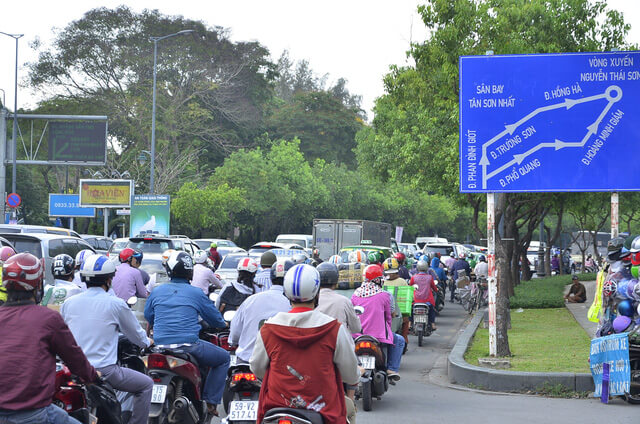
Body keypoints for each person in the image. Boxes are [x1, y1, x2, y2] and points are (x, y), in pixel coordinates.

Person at [250, 264, 359, 424]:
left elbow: (257, 368)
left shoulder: (269, 329)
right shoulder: (333, 329)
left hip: (277, 411)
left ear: (287, 294)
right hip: (324, 412)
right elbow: (350, 375)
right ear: (316, 293)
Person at [0, 253, 99, 424]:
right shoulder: (48, 319)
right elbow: (74, 358)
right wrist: (92, 377)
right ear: (38, 284)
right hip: (33, 414)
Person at [62, 254, 152, 424]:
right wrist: (148, 342)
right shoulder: (116, 304)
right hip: (106, 371)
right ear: (109, 280)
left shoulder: (69, 303)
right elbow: (136, 335)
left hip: (73, 371)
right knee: (146, 384)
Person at [144, 250, 229, 417]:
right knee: (224, 358)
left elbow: (149, 316)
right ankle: (211, 402)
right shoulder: (196, 293)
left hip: (159, 346)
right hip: (188, 347)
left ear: (169, 270)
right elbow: (215, 320)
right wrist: (223, 324)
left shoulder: (157, 291)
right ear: (190, 272)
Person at [229, 259, 292, 365]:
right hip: (278, 364)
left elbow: (234, 334)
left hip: (245, 362)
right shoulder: (291, 304)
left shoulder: (251, 300)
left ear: (271, 279)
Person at [351, 265, 405, 382]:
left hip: (357, 335)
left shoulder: (355, 294)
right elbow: (388, 317)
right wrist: (388, 331)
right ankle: (391, 369)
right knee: (399, 340)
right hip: (379, 336)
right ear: (377, 280)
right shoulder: (385, 295)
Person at [317, 262, 362, 334]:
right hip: (339, 343)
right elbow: (356, 328)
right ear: (336, 281)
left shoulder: (311, 301)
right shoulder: (344, 301)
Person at [383, 257, 410, 345]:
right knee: (406, 320)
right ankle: (405, 338)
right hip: (400, 312)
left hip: (386, 312)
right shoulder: (402, 281)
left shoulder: (382, 282)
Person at [410, 260, 438, 331]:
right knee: (431, 310)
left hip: (416, 300)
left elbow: (410, 287)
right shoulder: (430, 277)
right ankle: (432, 324)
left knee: (411, 310)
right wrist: (436, 290)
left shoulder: (414, 277)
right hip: (427, 300)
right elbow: (434, 288)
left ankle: (409, 323)